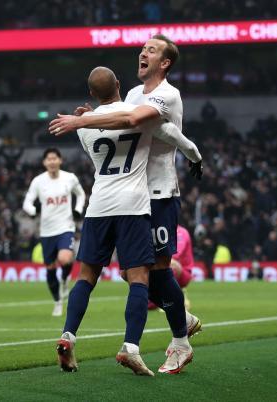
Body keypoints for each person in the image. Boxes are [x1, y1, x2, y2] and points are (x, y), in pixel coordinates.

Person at [49, 35, 203, 373]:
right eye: (143, 48)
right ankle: (180, 316)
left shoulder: (168, 94)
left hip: (159, 193)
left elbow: (136, 122)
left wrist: (83, 121)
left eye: (152, 50)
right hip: (134, 197)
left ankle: (181, 342)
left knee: (156, 270)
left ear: (165, 62)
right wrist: (94, 116)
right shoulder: (132, 95)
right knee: (133, 272)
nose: (143, 52)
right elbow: (118, 118)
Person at [23, 148, 85, 317]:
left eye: (54, 158)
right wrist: (33, 210)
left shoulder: (69, 178)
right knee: (50, 267)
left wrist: (78, 210)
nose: (52, 162)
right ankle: (57, 301)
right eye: (48, 159)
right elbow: (27, 202)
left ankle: (64, 279)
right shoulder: (38, 181)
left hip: (65, 227)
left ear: (60, 160)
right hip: (47, 230)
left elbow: (81, 195)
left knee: (65, 259)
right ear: (44, 162)